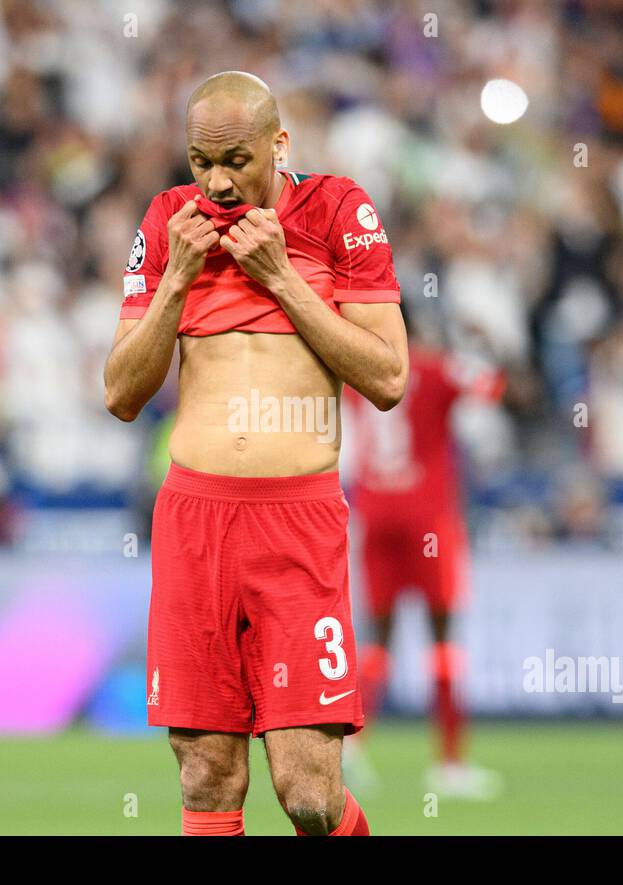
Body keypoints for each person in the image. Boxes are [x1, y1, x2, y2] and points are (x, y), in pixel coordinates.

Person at [103, 71, 408, 836]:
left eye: (235, 160)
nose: (216, 180)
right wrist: (176, 277)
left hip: (296, 524)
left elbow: (387, 376)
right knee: (207, 772)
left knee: (307, 789)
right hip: (195, 520)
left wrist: (281, 279)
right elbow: (121, 393)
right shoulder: (170, 219)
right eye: (200, 161)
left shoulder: (339, 209)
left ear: (279, 143)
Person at [343, 308, 504, 799]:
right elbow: (493, 388)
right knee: (443, 641)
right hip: (427, 516)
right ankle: (450, 762)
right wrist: (479, 344)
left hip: (374, 510)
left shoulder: (356, 373)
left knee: (377, 640)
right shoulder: (432, 366)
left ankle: (352, 748)